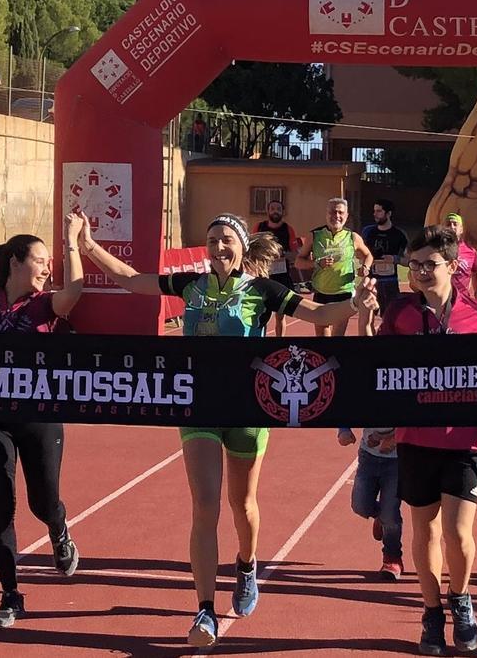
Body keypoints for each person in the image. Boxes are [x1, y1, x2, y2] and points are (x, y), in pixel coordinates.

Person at [78, 212, 375, 648]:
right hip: (197, 407)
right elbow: (130, 279)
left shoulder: (261, 289)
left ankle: (247, 563)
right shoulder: (189, 286)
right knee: (205, 505)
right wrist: (88, 246)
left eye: (227, 240)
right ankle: (204, 607)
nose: (219, 248)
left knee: (243, 505)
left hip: (247, 411)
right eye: (213, 240)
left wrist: (354, 304)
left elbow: (316, 313)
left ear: (241, 246)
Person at [361, 225, 477, 655]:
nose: (419, 271)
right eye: (413, 264)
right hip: (415, 439)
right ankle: (432, 612)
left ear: (453, 265)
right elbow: (377, 365)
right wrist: (364, 317)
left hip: (463, 441)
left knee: (458, 534)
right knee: (425, 531)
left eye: (429, 264)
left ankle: (463, 599)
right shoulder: (400, 312)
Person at [0, 212, 87, 628]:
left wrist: (71, 240)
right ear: (15, 262)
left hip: (40, 417)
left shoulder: (45, 306)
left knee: (42, 502)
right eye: (40, 260)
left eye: (50, 262)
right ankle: (11, 594)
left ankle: (59, 526)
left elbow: (76, 292)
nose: (47, 268)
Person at [297, 197, 373, 337]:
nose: (336, 216)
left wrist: (365, 267)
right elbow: (298, 262)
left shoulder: (353, 237)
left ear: (346, 216)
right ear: (326, 214)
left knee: (337, 338)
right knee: (322, 339)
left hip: (343, 293)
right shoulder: (315, 236)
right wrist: (316, 263)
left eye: (340, 212)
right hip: (321, 292)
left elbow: (368, 255)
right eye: (332, 212)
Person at [337, 424, 404, 580]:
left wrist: (394, 438)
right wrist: (344, 430)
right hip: (369, 456)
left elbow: (418, 415)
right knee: (360, 505)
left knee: (390, 514)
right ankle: (381, 516)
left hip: (398, 460)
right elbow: (345, 402)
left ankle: (392, 558)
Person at [254, 199, 301, 337]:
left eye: (278, 209)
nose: (275, 211)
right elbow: (252, 249)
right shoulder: (259, 227)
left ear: (283, 212)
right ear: (268, 211)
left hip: (281, 276)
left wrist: (283, 254)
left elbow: (295, 255)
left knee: (280, 314)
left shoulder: (288, 229)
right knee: (261, 313)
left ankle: (279, 341)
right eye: (273, 208)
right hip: (263, 275)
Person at [360, 198, 409, 315]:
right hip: (371, 282)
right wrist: (366, 264)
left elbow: (410, 261)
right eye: (374, 211)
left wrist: (395, 259)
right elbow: (359, 254)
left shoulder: (399, 234)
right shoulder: (368, 232)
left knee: (390, 317)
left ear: (389, 213)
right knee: (368, 317)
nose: (375, 214)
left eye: (379, 211)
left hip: (390, 283)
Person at [444, 213, 477, 301]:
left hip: (462, 299)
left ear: (461, 229)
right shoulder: (436, 250)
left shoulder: (470, 251)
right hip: (441, 299)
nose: (452, 227)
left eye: (455, 224)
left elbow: (476, 271)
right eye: (448, 224)